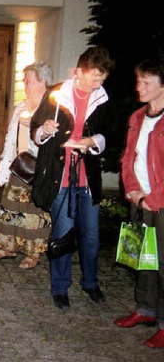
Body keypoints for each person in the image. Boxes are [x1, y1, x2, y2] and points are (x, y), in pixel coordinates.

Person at [30, 46, 115, 312]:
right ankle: (59, 287)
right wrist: (44, 130)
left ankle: (90, 282)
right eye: (93, 78)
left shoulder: (102, 98)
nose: (97, 84)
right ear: (78, 72)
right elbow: (35, 130)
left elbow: (107, 134)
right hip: (60, 177)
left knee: (91, 236)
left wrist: (92, 141)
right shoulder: (56, 94)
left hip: (87, 178)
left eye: (101, 79)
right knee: (63, 234)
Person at [115, 58, 164, 349]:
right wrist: (133, 190)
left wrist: (152, 199)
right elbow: (127, 158)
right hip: (140, 199)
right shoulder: (137, 117)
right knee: (144, 259)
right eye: (138, 81)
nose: (139, 86)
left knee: (163, 264)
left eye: (146, 81)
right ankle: (145, 310)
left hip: (159, 203)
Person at [0, 62, 53, 269]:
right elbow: (11, 135)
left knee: (33, 211)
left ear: (43, 82)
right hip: (19, 164)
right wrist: (6, 156)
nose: (25, 86)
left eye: (29, 81)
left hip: (39, 166)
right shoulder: (22, 106)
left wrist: (35, 126)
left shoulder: (51, 108)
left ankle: (32, 254)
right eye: (24, 81)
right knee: (11, 208)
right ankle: (8, 247)